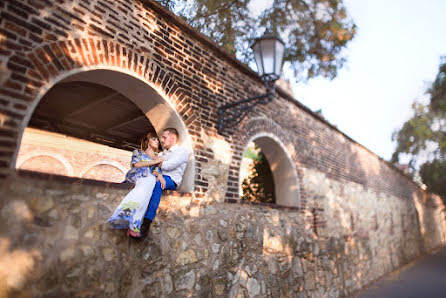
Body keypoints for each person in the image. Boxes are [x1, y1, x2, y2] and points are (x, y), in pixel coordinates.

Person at [107, 132, 164, 237]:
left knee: (144, 201)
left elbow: (156, 171)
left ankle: (134, 226)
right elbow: (137, 164)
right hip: (141, 178)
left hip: (151, 180)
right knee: (139, 195)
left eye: (157, 140)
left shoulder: (158, 157)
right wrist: (154, 161)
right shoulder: (138, 152)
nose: (157, 142)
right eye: (154, 139)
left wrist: (159, 175)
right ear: (148, 141)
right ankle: (124, 216)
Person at [140, 127, 188, 237]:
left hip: (171, 180)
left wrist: (155, 159)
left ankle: (147, 223)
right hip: (158, 176)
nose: (161, 140)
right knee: (142, 177)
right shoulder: (162, 154)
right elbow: (151, 164)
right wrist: (156, 160)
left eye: (164, 137)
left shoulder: (181, 151)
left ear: (172, 138)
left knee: (157, 183)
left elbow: (168, 166)